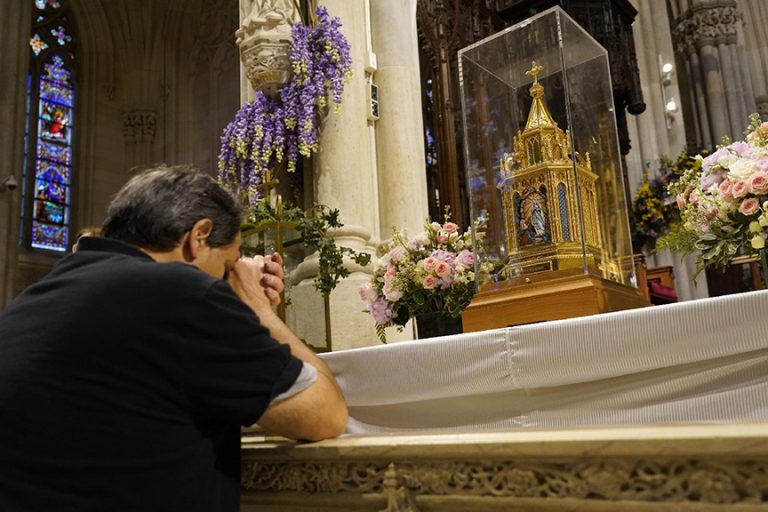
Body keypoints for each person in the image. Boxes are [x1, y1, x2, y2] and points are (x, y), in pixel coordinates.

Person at [0, 165, 347, 511]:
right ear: (199, 236)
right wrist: (257, 309)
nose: (229, 281)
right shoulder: (183, 293)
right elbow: (326, 414)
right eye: (228, 265)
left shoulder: (34, 298)